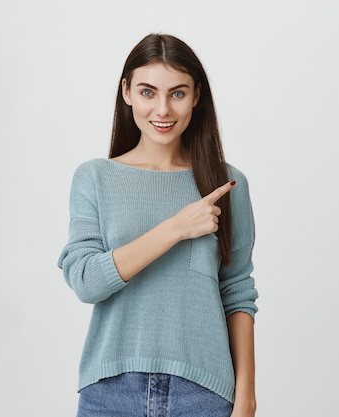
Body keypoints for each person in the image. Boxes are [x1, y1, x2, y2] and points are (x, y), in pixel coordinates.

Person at [57, 33, 259, 417]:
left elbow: (237, 292)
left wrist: (246, 400)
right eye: (148, 92)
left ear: (197, 96)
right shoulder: (95, 177)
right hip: (110, 394)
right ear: (127, 92)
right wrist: (176, 228)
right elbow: (85, 282)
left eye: (177, 94)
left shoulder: (227, 184)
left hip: (204, 394)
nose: (163, 109)